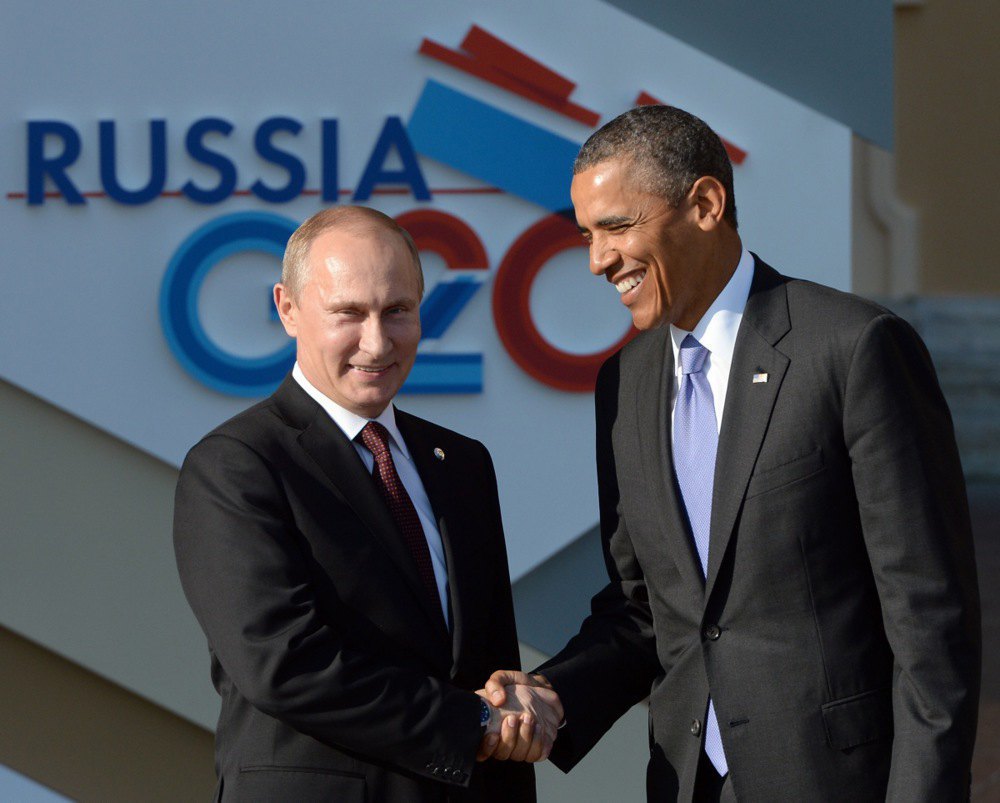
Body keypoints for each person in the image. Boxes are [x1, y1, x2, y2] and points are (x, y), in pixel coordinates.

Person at [485, 105, 981, 800]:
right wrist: (551, 692)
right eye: (588, 236)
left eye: (618, 226)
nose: (598, 260)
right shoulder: (623, 385)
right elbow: (648, 609)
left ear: (706, 204)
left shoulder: (852, 348)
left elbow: (931, 621)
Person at [173, 206, 560, 802]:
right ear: (288, 308)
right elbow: (284, 663)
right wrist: (472, 723)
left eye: (397, 311)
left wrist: (515, 711)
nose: (376, 343)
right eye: (348, 314)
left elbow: (484, 664)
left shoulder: (461, 464)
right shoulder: (236, 465)